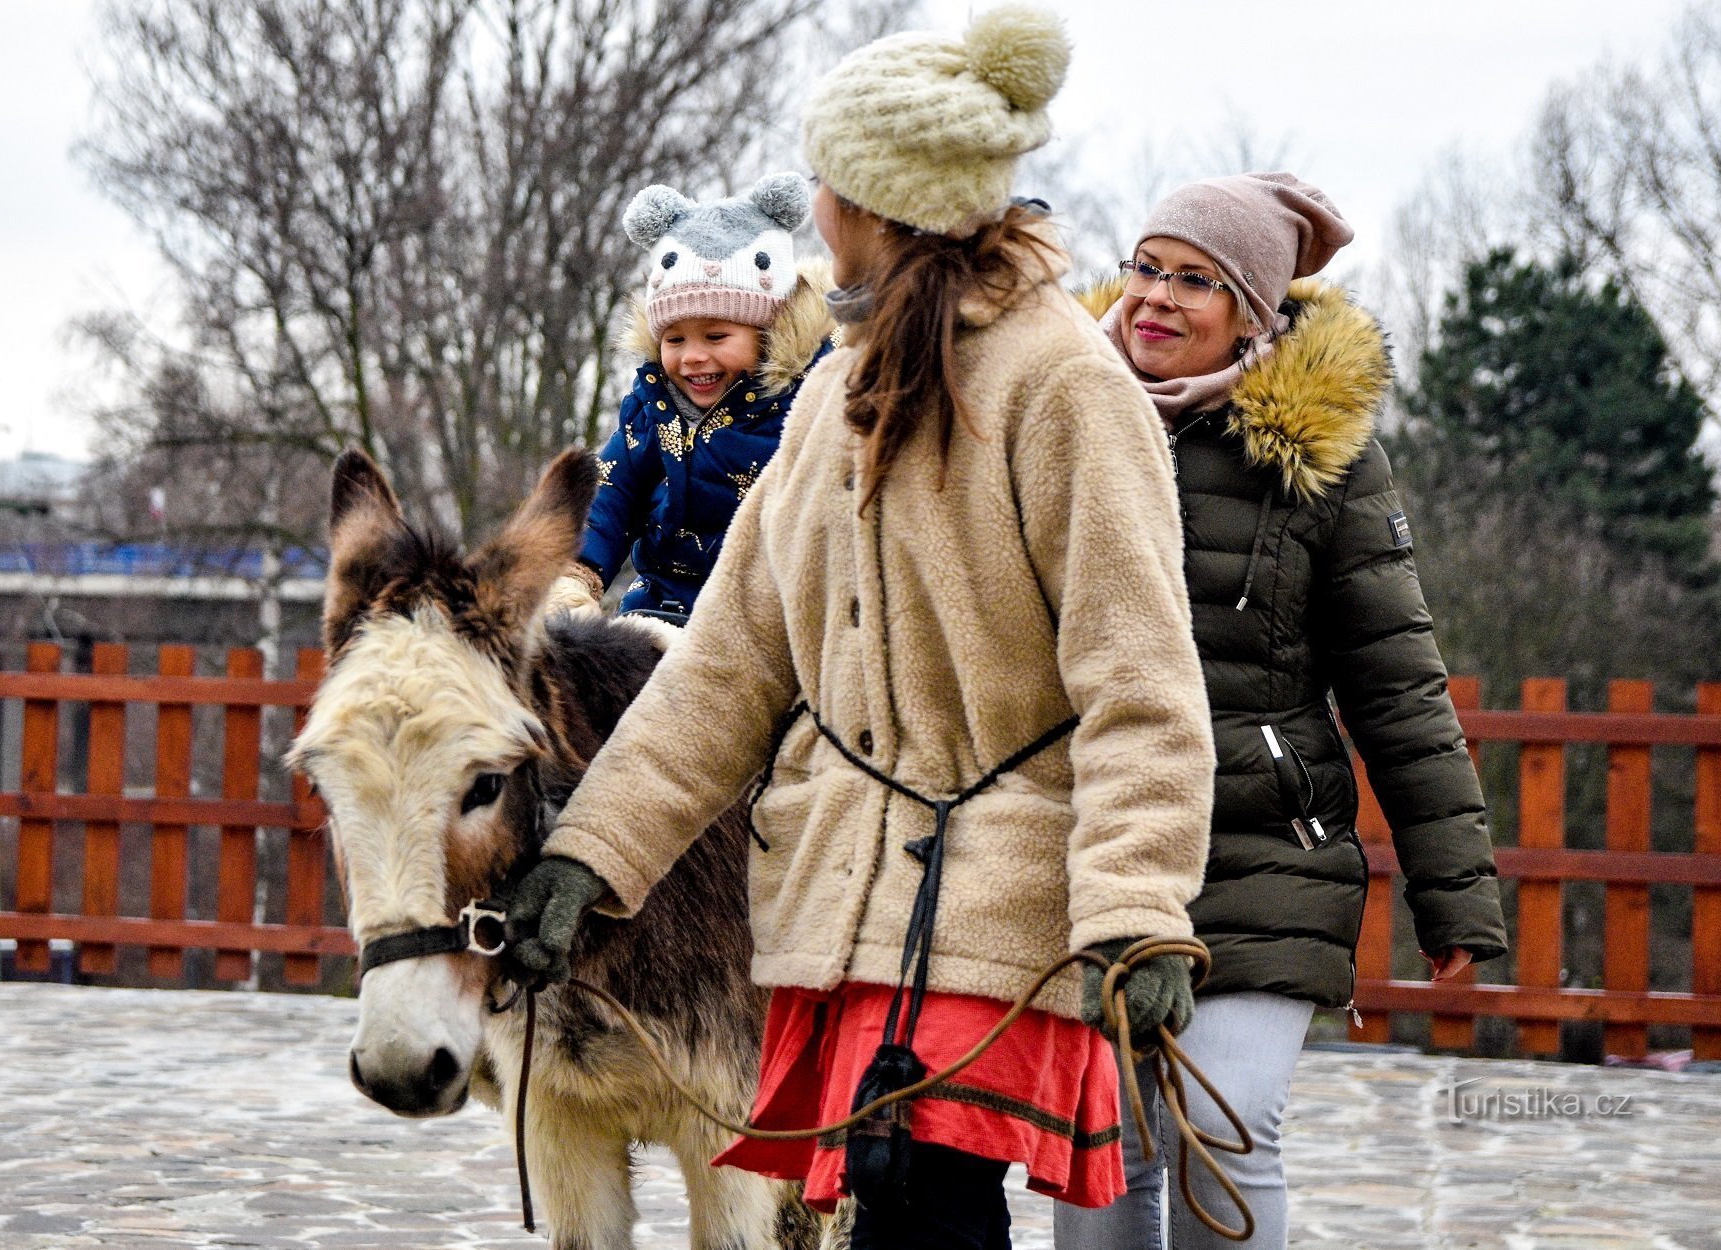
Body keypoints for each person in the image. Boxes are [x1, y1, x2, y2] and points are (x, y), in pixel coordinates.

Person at [507, 7, 1220, 1248]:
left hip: (1002, 887)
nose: (819, 207)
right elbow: (726, 664)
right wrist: (593, 855)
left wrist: (1139, 907)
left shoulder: (1067, 389)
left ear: (884, 200)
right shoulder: (830, 393)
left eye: (834, 181)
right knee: (875, 1205)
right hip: (837, 893)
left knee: (924, 1197)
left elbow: (1142, 680)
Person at [1054, 173, 1510, 1250]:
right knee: (1104, 1137)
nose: (1156, 297)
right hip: (1100, 844)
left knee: (1224, 1116)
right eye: (1147, 266)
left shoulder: (1323, 465)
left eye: (1195, 280)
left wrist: (1454, 891)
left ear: (1254, 310)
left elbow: (1398, 683)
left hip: (1264, 844)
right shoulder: (1061, 416)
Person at [546, 173, 834, 622]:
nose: (693, 357)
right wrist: (574, 574)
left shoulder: (809, 402)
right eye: (675, 340)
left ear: (768, 334)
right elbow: (611, 493)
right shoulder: (651, 408)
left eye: (716, 336)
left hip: (770, 619)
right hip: (659, 608)